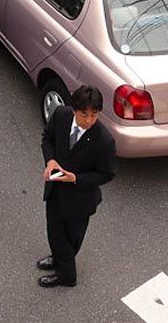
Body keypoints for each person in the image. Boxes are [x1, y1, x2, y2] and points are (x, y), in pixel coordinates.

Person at [37, 85, 116, 287]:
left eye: (94, 115)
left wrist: (76, 179)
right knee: (54, 231)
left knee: (71, 238)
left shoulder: (104, 141)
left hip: (80, 199)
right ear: (74, 109)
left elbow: (106, 174)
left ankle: (67, 276)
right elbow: (48, 139)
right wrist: (50, 161)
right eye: (84, 114)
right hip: (55, 190)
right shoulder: (61, 115)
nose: (89, 120)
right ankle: (58, 258)